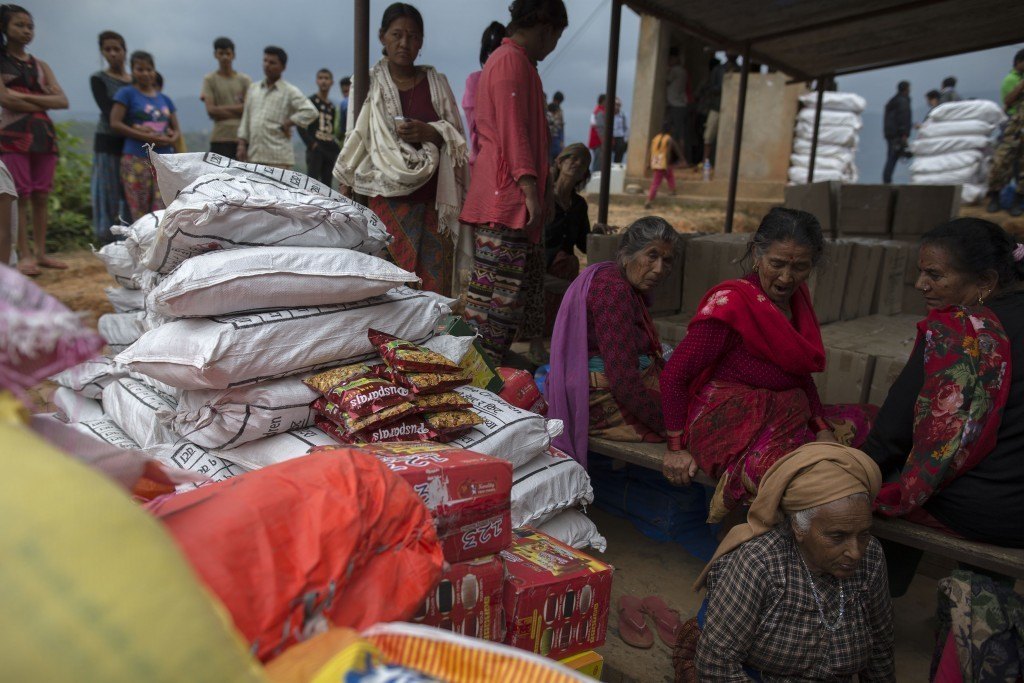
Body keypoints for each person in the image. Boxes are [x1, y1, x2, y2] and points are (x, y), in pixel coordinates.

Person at [660, 208, 876, 521]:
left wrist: (821, 428)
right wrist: (676, 448)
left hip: (784, 414)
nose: (787, 277)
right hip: (729, 421)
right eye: (777, 264)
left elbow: (799, 375)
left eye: (800, 267)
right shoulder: (731, 304)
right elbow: (674, 376)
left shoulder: (797, 301)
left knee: (868, 421)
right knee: (803, 481)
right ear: (757, 254)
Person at [862, 219, 1024, 594]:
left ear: (985, 281)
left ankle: (878, 597)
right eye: (921, 273)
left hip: (985, 513)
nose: (921, 285)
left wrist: (846, 475)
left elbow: (892, 435)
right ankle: (975, 606)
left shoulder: (956, 333)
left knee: (897, 480)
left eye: (935, 274)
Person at [676, 443, 894, 682]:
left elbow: (880, 648)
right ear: (799, 528)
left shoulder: (871, 555)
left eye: (863, 534)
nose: (855, 552)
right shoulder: (759, 563)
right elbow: (717, 664)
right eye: (837, 536)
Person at [459, 0, 567, 363]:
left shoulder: (522, 64)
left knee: (504, 308)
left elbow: (532, 137)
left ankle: (481, 381)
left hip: (509, 199)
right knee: (491, 307)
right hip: (503, 199)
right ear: (546, 29)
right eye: (556, 38)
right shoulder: (509, 62)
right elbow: (513, 131)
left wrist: (543, 189)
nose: (553, 47)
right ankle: (473, 381)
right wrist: (528, 188)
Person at [335, 3, 467, 298]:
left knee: (433, 290)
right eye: (397, 34)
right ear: (382, 36)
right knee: (391, 287)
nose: (404, 43)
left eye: (413, 37)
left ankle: (434, 342)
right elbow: (355, 142)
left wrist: (429, 131)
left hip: (432, 202)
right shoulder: (366, 84)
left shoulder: (437, 84)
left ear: (421, 43)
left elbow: (457, 137)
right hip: (386, 202)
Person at [546, 217, 679, 466]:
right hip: (600, 401)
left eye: (667, 260)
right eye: (652, 256)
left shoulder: (622, 283)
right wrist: (668, 428)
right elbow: (623, 380)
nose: (660, 269)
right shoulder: (613, 290)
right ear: (627, 254)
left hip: (610, 389)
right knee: (692, 418)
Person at [0, 5, 66, 277]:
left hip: (42, 136)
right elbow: (4, 99)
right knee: (20, 196)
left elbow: (62, 100)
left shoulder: (41, 66)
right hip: (12, 137)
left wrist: (21, 97)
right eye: (20, 25)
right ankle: (23, 253)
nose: (26, 31)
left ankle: (40, 253)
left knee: (41, 194)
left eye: (30, 26)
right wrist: (42, 99)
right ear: (5, 28)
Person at [109, 51, 179, 222]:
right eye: (140, 69)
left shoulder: (165, 99)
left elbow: (176, 129)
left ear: (154, 71)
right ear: (132, 71)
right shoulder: (127, 94)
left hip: (163, 160)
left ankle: (159, 247)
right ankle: (140, 246)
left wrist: (171, 138)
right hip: (136, 158)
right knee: (138, 208)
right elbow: (115, 123)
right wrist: (145, 137)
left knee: (162, 206)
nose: (145, 73)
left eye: (149, 69)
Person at [237, 46, 316, 169]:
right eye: (265, 61)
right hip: (254, 156)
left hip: (279, 158)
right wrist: (241, 145)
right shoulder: (254, 88)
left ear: (283, 67)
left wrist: (289, 123)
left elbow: (310, 111)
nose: (267, 65)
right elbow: (246, 118)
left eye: (272, 62)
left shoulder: (289, 91)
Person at [89, 30, 130, 244]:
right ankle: (106, 238)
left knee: (129, 192)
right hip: (108, 142)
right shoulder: (99, 79)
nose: (113, 54)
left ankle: (129, 235)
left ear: (125, 51)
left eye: (117, 49)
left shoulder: (135, 80)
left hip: (131, 144)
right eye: (108, 49)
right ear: (102, 52)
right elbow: (107, 110)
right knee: (108, 192)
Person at [985, 48, 1024, 216]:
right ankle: (994, 196)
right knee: (1001, 161)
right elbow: (1007, 101)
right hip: (1013, 126)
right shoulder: (1011, 79)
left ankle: (1018, 200)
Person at [201, 37, 251, 161]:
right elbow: (210, 110)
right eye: (221, 53)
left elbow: (249, 109)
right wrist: (239, 109)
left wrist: (220, 110)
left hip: (242, 138)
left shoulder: (244, 80)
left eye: (228, 53)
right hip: (220, 137)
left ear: (233, 55)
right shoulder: (210, 79)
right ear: (215, 55)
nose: (225, 57)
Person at [463, 20, 505, 168]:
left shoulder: (516, 82)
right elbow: (476, 127)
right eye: (490, 52)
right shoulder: (474, 81)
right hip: (483, 164)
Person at [544, 142, 590, 277]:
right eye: (574, 158)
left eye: (583, 163)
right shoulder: (543, 197)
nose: (577, 164)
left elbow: (584, 245)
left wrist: (597, 234)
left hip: (564, 271)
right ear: (560, 163)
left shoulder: (579, 205)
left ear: (584, 174)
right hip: (540, 271)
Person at [298, 68, 340, 188]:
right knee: (312, 184)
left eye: (326, 78)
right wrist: (311, 144)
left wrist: (335, 148)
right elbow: (299, 124)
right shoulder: (311, 101)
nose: (323, 81)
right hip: (316, 149)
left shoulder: (331, 106)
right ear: (316, 81)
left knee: (327, 185)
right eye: (321, 78)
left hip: (329, 149)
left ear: (332, 82)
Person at [644, 120, 684, 209]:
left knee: (670, 175)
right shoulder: (669, 139)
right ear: (670, 129)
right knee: (656, 183)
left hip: (655, 162)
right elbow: (669, 153)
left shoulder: (655, 138)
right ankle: (648, 201)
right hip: (663, 163)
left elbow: (650, 151)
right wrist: (679, 160)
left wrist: (648, 163)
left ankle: (672, 190)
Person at [882, 80, 911, 184]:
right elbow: (903, 117)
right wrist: (904, 134)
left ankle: (887, 180)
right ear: (906, 89)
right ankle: (887, 181)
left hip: (890, 134)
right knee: (892, 157)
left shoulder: (893, 101)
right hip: (897, 134)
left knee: (891, 157)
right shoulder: (902, 101)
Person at [698, 55, 725, 169]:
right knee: (708, 136)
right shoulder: (718, 70)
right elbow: (712, 88)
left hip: (731, 109)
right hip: (715, 107)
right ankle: (705, 162)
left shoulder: (739, 69)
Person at [664, 47, 689, 152]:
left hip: (676, 104)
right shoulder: (683, 71)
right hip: (680, 104)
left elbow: (667, 79)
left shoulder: (675, 70)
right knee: (678, 133)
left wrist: (667, 69)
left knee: (677, 134)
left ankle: (681, 159)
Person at [587, 93, 605, 172]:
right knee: (598, 163)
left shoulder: (597, 110)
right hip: (598, 141)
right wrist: (603, 141)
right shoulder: (600, 112)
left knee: (598, 162)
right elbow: (600, 128)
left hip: (596, 141)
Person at [547, 90, 564, 163]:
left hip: (556, 139)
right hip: (553, 140)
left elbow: (561, 127)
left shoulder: (559, 110)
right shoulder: (550, 110)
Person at [611, 97, 628, 163]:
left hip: (620, 137)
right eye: (615, 104)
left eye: (618, 105)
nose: (616, 107)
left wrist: (625, 139)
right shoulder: (607, 114)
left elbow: (626, 128)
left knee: (619, 156)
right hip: (611, 137)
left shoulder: (623, 115)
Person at [336, 75, 351, 143]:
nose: (346, 95)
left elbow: (341, 126)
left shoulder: (344, 103)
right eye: (344, 92)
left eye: (346, 91)